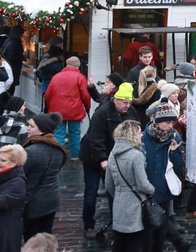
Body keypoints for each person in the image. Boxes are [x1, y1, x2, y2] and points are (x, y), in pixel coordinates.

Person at [79, 82, 141, 238]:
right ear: (116, 100)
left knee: (115, 192)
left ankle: (116, 224)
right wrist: (102, 159)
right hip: (93, 157)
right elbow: (95, 138)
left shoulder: (130, 112)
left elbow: (136, 131)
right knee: (91, 191)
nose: (127, 105)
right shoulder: (102, 113)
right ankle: (89, 225)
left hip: (116, 157)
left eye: (129, 102)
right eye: (125, 102)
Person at [142, 102, 189, 252]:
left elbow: (179, 167)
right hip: (147, 189)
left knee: (160, 231)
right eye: (167, 122)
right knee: (148, 233)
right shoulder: (144, 137)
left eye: (172, 122)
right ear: (156, 121)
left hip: (164, 190)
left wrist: (175, 152)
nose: (171, 126)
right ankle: (178, 241)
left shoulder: (174, 136)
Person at [105, 120, 155, 252]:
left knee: (119, 243)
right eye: (139, 132)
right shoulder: (136, 155)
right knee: (135, 243)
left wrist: (120, 194)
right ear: (132, 135)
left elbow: (108, 184)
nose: (141, 135)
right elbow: (143, 184)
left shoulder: (112, 154)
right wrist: (152, 189)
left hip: (119, 204)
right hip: (135, 206)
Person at [22, 112, 67, 240]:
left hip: (34, 203)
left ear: (42, 130)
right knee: (46, 237)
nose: (27, 128)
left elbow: (21, 174)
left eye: (31, 126)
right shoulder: (58, 149)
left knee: (32, 240)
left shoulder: (31, 152)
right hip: (51, 200)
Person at [43, 57, 91, 160]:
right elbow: (85, 96)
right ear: (78, 66)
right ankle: (75, 155)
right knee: (75, 133)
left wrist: (49, 106)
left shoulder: (56, 77)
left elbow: (47, 94)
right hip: (75, 110)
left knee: (59, 133)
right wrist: (87, 107)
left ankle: (59, 156)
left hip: (57, 110)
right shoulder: (80, 77)